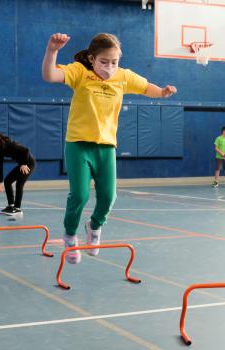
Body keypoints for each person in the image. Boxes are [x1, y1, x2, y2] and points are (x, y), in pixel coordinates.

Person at [42, 32, 177, 263]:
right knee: (80, 195)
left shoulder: (123, 77)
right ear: (92, 59)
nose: (110, 67)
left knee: (108, 196)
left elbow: (146, 87)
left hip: (106, 146)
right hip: (78, 145)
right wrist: (52, 50)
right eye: (104, 62)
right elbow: (50, 75)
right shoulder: (80, 72)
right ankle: (70, 235)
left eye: (114, 62)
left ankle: (94, 227)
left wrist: (162, 93)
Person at [0, 129, 35, 215]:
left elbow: (25, 150)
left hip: (28, 163)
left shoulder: (9, 144)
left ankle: (17, 208)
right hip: (22, 164)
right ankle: (11, 206)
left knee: (19, 184)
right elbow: (0, 166)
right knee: (7, 181)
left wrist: (23, 163)